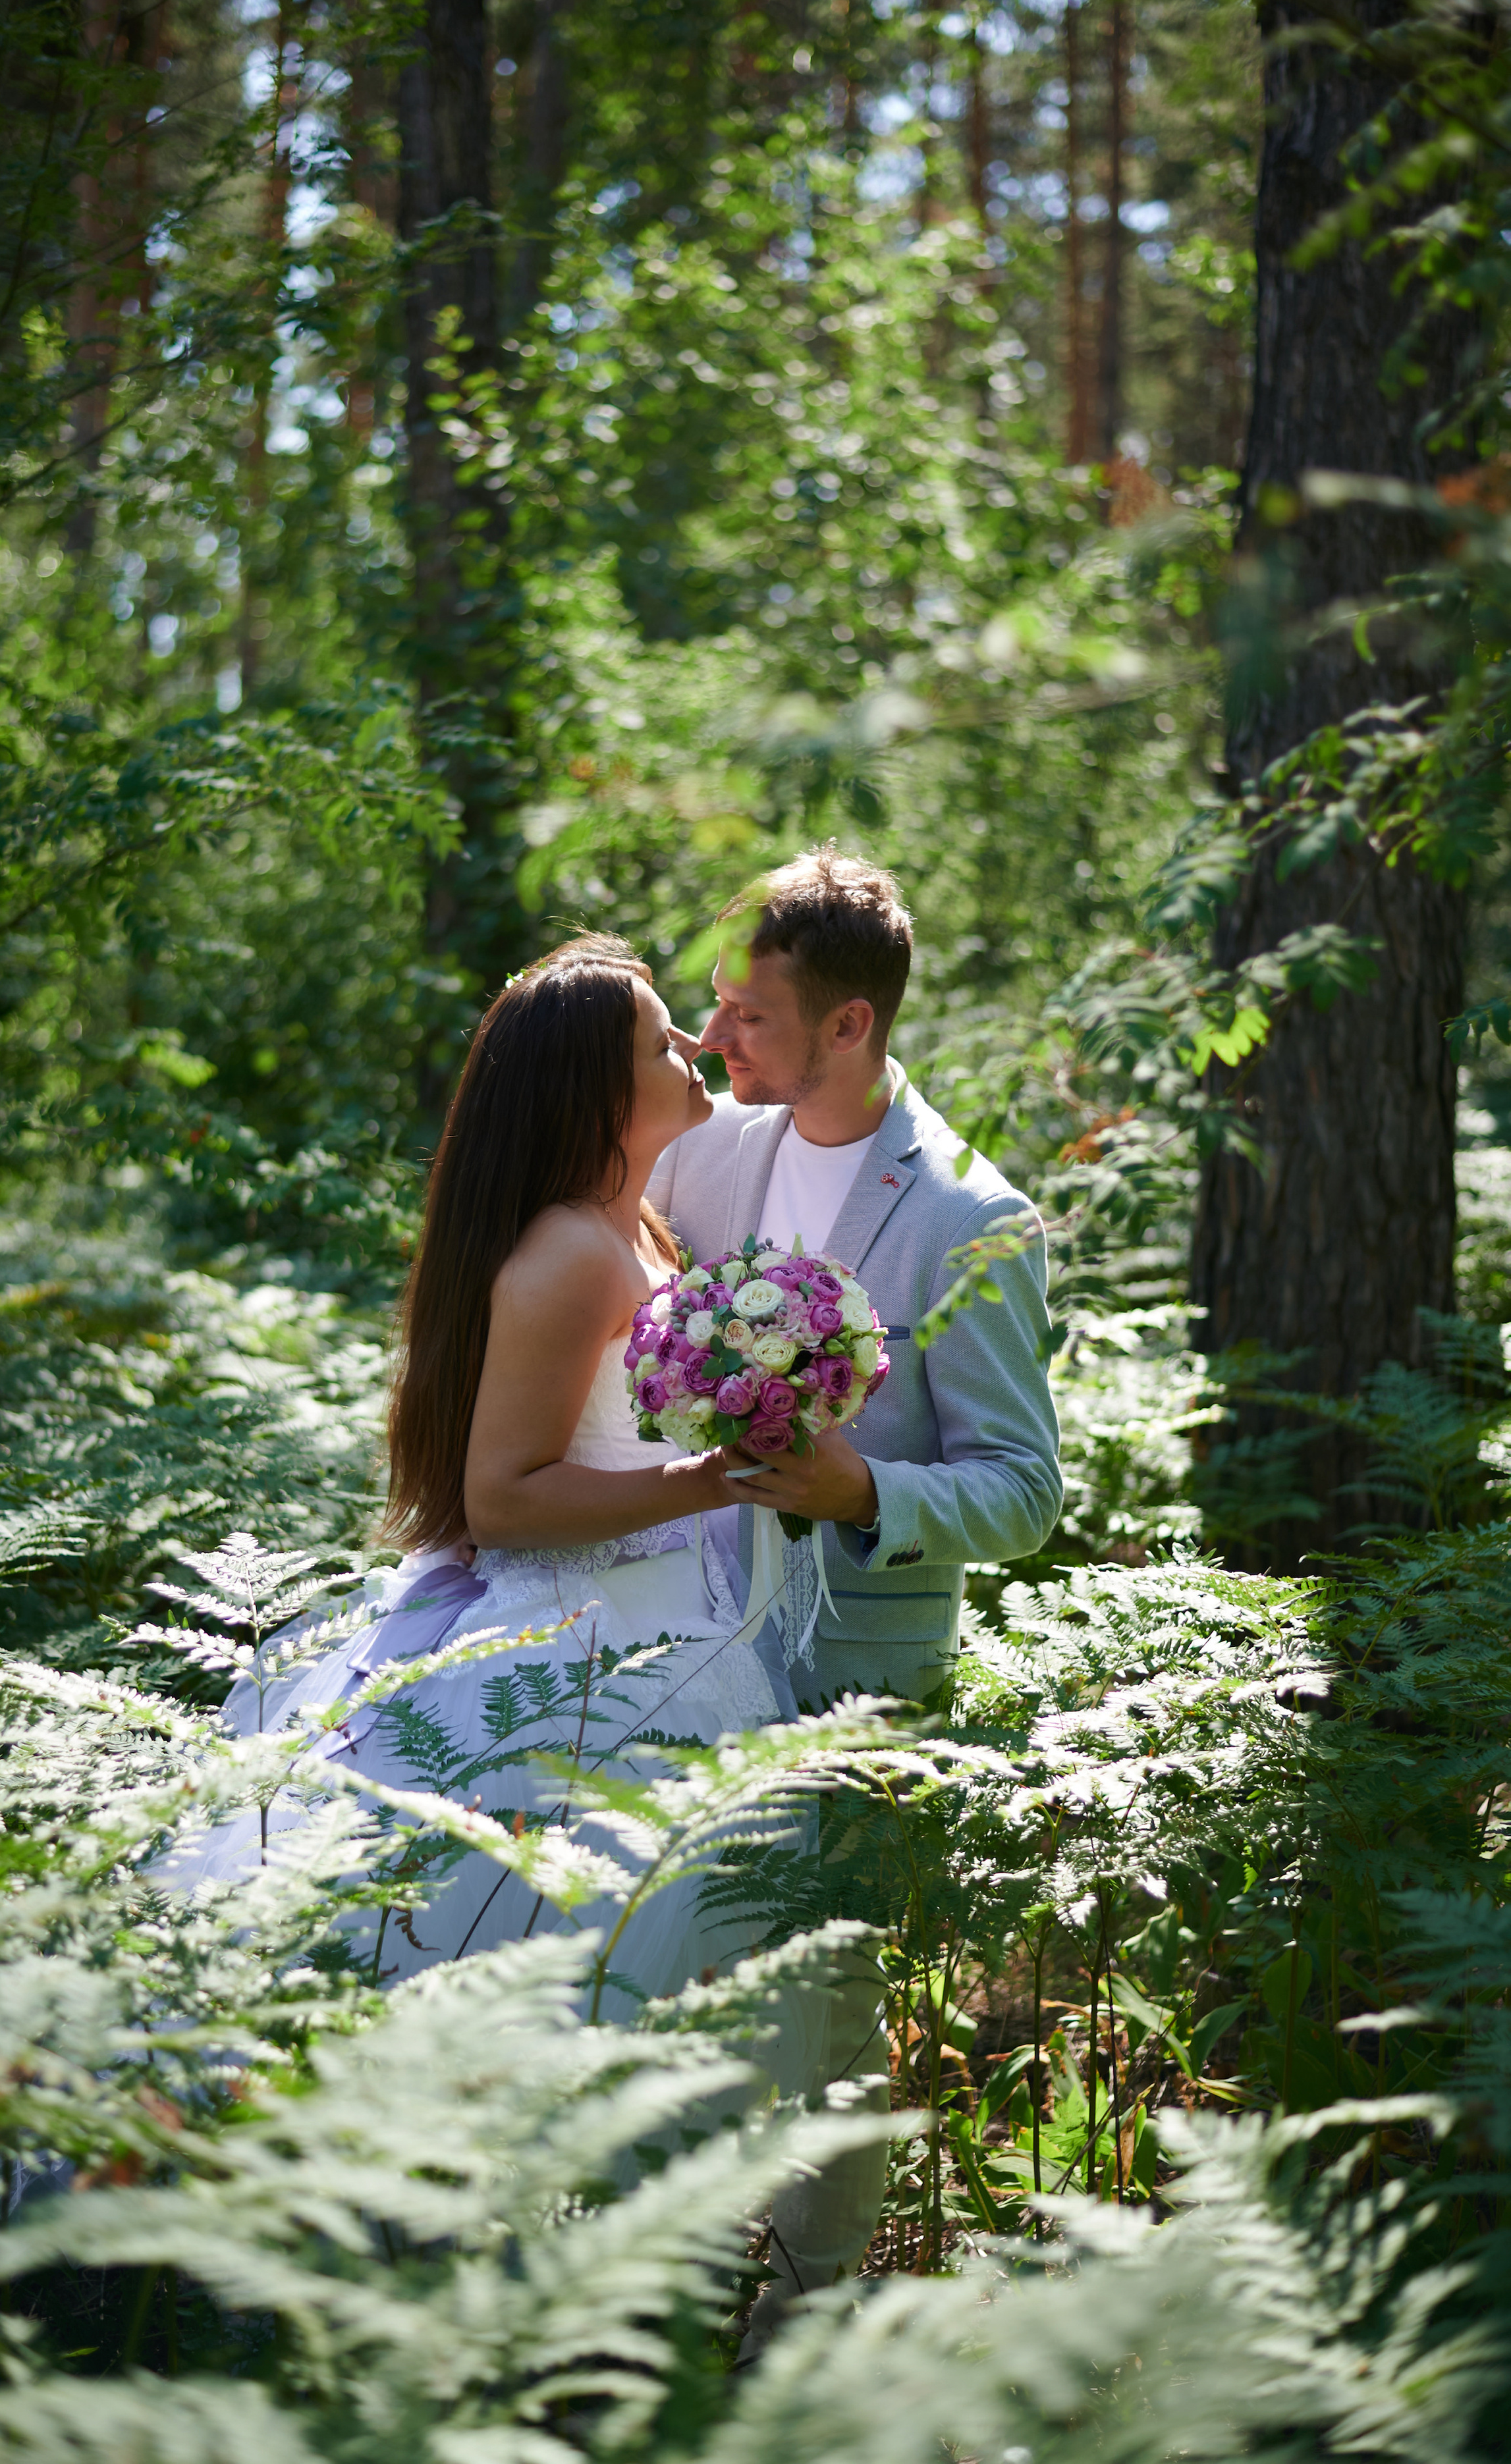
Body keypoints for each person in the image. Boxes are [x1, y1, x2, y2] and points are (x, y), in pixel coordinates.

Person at [179, 936, 796, 2011]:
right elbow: (503, 1499)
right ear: (600, 1092)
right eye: (662, 1040)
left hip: (666, 1621)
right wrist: (710, 1480)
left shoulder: (637, 1229)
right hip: (577, 1657)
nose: (694, 1044)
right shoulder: (569, 1254)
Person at [646, 845, 1063, 2324]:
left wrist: (863, 1490)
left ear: (848, 1028)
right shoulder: (699, 1158)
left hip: (861, 1670)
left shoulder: (970, 1216)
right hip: (683, 1637)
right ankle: (672, 2281)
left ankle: (810, 2311)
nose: (712, 1044)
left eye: (747, 1019)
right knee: (686, 1965)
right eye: (706, 1009)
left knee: (823, 2002)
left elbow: (1024, 1485)